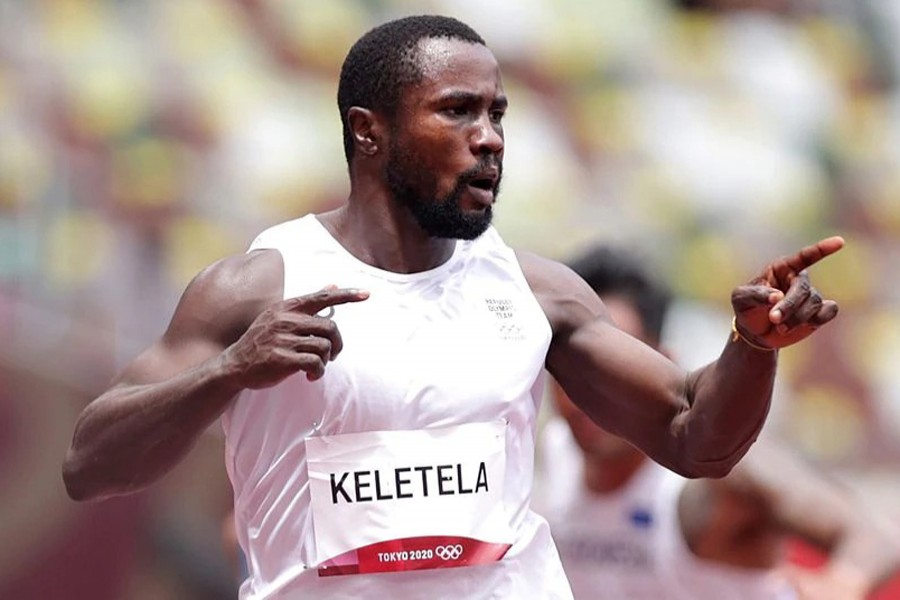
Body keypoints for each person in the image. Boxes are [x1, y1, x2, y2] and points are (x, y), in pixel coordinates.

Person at [62, 14, 845, 600]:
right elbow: (90, 466)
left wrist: (753, 348)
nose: (491, 138)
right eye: (458, 111)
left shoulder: (533, 292)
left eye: (498, 113)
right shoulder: (255, 288)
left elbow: (694, 438)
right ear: (368, 133)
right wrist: (230, 371)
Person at [535, 245, 900, 600]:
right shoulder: (549, 452)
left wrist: (840, 585)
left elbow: (873, 537)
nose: (591, 392)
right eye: (577, 369)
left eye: (610, 368)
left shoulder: (715, 479)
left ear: (659, 365)